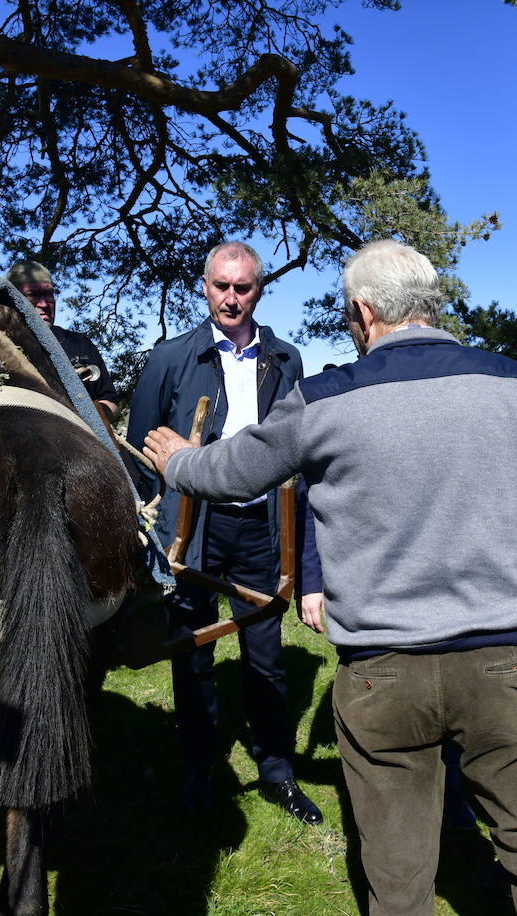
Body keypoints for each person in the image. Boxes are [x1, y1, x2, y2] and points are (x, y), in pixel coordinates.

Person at [143, 239, 517, 916]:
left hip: (383, 673)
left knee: (397, 880)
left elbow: (232, 473)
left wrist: (177, 461)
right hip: (511, 669)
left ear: (363, 312)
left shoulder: (323, 399)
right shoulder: (516, 385)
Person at [125, 242, 321, 824]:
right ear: (205, 286)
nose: (231, 298)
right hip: (193, 527)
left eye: (243, 288)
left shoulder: (285, 359)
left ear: (259, 290)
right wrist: (150, 527)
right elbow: (140, 449)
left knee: (266, 658)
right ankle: (199, 768)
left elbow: (297, 449)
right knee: (192, 654)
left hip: (261, 527)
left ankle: (277, 773)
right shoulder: (171, 357)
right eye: (221, 286)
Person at [5, 261, 119, 422]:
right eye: (33, 295)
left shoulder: (80, 344)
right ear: (12, 299)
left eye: (48, 294)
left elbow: (111, 402)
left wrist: (95, 414)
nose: (44, 304)